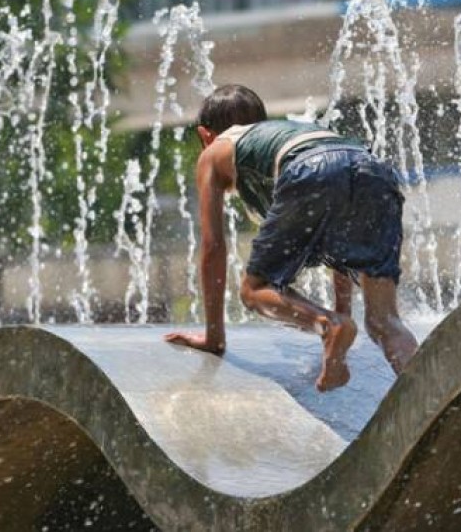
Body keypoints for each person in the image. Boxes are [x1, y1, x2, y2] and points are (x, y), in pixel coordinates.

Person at [164, 84, 418, 391]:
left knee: (255, 290)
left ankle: (326, 325)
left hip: (310, 169)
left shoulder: (216, 151)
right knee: (384, 322)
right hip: (374, 173)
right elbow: (339, 243)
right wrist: (343, 311)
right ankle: (435, 404)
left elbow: (213, 246)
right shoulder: (286, 134)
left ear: (205, 136)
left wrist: (214, 338)